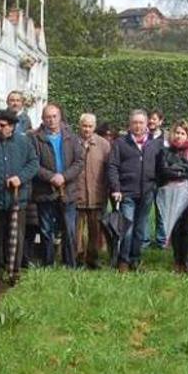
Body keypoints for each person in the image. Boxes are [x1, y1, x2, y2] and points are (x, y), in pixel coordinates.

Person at [0, 108, 39, 282]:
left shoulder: (23, 142)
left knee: (16, 236)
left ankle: (14, 270)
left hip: (16, 197)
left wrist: (20, 178)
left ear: (12, 126)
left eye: (2, 125)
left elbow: (33, 163)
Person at [107, 110, 163, 272]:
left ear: (147, 125)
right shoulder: (120, 143)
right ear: (130, 125)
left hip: (147, 192)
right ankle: (123, 260)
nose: (138, 126)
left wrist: (156, 185)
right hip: (126, 193)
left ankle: (135, 259)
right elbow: (113, 166)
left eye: (141, 123)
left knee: (140, 229)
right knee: (128, 228)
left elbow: (161, 166)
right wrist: (116, 188)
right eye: (135, 123)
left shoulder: (155, 143)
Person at [29, 103, 85, 267]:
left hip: (68, 191)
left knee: (69, 230)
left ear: (60, 117)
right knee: (46, 230)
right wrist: (51, 177)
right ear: (43, 119)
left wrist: (64, 177)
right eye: (48, 117)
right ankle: (48, 264)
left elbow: (79, 162)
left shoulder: (71, 137)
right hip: (45, 191)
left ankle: (70, 264)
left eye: (54, 116)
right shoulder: (35, 138)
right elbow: (33, 164)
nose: (51, 120)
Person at [158, 120, 188, 273]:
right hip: (172, 191)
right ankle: (176, 260)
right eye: (177, 133)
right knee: (175, 227)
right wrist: (184, 170)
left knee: (186, 227)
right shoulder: (167, 151)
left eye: (182, 133)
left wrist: (178, 168)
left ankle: (185, 260)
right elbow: (164, 170)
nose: (179, 136)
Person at [76, 113, 112, 269]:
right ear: (79, 126)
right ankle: (77, 259)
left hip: (97, 195)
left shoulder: (104, 144)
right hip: (77, 195)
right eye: (84, 126)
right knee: (76, 232)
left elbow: (109, 169)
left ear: (95, 127)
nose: (87, 129)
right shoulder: (72, 142)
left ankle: (93, 259)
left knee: (95, 231)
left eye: (90, 126)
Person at [148, 109, 170, 248]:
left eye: (154, 119)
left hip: (162, 180)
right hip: (147, 179)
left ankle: (162, 240)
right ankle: (144, 240)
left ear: (161, 121)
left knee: (161, 211)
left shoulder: (167, 138)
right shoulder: (142, 136)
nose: (151, 121)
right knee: (144, 212)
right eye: (150, 118)